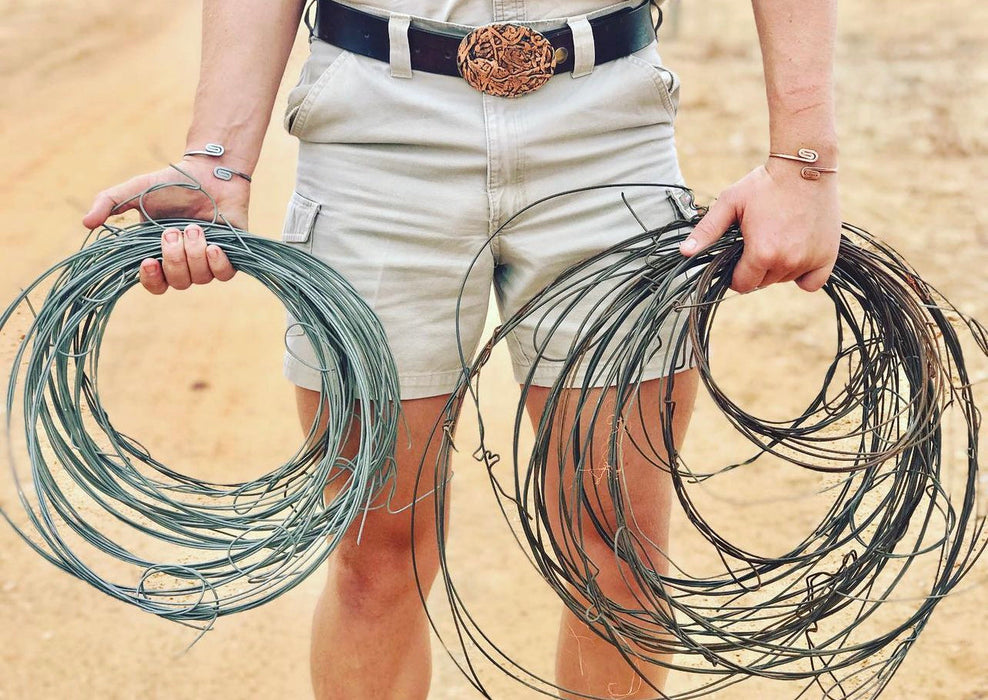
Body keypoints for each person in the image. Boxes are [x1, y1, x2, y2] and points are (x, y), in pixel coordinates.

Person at [82, 0, 841, 697]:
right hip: (375, 135)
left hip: (606, 127)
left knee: (620, 550)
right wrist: (218, 154)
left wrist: (805, 161)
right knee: (375, 556)